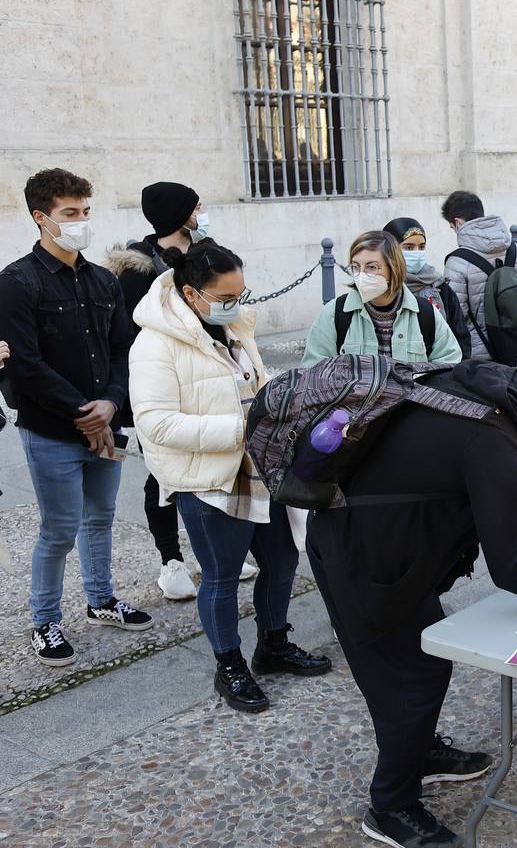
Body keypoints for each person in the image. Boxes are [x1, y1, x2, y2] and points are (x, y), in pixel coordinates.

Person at [308, 367, 517, 848]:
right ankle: (390, 806)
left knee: (424, 661)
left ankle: (420, 754)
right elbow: (509, 571)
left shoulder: (494, 405)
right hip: (362, 557)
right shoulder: (495, 446)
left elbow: (496, 521)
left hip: (380, 545)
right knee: (409, 679)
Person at [130, 240, 331, 713]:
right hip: (208, 479)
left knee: (281, 561)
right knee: (220, 577)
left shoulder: (235, 326)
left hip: (261, 467)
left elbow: (255, 386)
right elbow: (155, 423)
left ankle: (273, 644)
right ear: (190, 292)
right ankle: (229, 666)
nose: (235, 304)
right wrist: (242, 429)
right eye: (224, 297)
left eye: (240, 293)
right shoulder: (154, 344)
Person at [0, 169, 152, 667]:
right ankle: (44, 621)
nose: (81, 222)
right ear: (42, 218)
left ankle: (101, 600)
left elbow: (121, 349)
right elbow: (24, 364)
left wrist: (109, 403)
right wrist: (81, 414)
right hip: (51, 429)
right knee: (59, 529)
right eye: (71, 214)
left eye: (85, 212)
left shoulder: (103, 278)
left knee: (101, 518)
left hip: (105, 421)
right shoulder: (16, 282)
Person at [105, 181, 217, 600]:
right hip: (163, 381)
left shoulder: (206, 255)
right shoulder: (137, 273)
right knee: (163, 473)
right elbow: (131, 334)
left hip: (207, 377)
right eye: (195, 206)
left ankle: (211, 552)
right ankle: (171, 560)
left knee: (210, 468)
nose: (202, 211)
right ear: (179, 215)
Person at [304, 231, 462, 367]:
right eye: (355, 267)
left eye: (371, 267)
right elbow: (313, 370)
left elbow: (448, 362)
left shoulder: (425, 313)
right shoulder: (335, 313)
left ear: (394, 268)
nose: (361, 275)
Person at [441, 190, 517, 360]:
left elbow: (456, 314)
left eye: (451, 226)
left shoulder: (457, 262)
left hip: (481, 354)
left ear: (457, 222)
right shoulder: (515, 251)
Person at [383, 216, 472, 360]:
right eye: (409, 247)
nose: (417, 253)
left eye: (422, 247)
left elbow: (460, 336)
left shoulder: (440, 287)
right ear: (390, 249)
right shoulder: (381, 290)